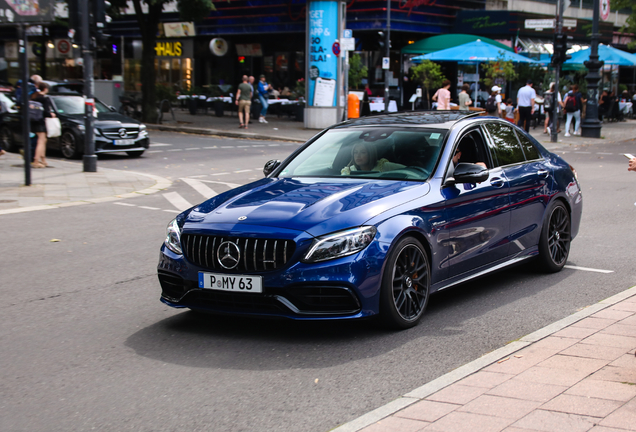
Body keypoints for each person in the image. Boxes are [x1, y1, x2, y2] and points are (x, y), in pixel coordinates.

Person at [31, 82, 55, 168]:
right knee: (41, 141)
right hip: (40, 122)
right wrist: (52, 115)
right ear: (45, 89)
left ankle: (43, 160)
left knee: (43, 140)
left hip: (33, 120)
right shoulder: (45, 99)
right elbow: (46, 112)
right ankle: (36, 161)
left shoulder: (34, 96)